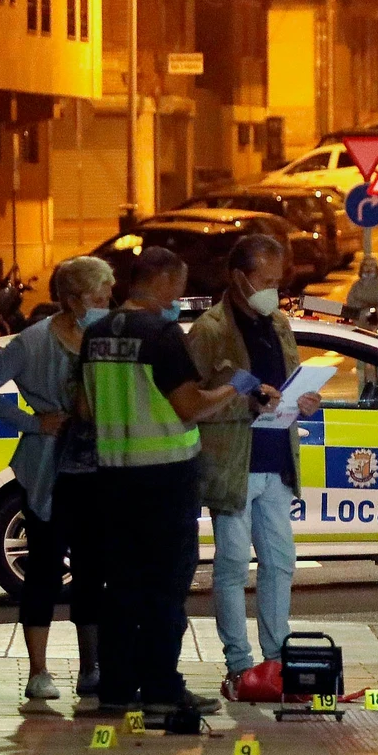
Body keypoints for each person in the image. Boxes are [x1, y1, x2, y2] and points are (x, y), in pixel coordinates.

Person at [78, 247, 248, 716]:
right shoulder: (161, 333)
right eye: (178, 284)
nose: (179, 295)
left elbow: (83, 410)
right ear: (163, 281)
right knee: (165, 590)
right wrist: (235, 387)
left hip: (112, 478)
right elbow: (189, 407)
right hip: (165, 479)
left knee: (121, 587)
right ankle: (160, 688)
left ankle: (115, 689)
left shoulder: (94, 333)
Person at [0, 255, 113, 709]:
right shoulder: (35, 341)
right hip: (48, 469)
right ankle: (39, 671)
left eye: (107, 298)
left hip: (97, 470)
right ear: (71, 299)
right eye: (97, 298)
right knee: (44, 569)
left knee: (92, 572)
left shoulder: (106, 338)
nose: (105, 305)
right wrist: (29, 421)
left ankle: (92, 666)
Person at [187, 234, 321, 699]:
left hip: (278, 462)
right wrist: (246, 405)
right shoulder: (210, 330)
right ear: (239, 278)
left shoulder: (279, 323)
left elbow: (290, 382)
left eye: (277, 281)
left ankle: (276, 659)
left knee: (280, 562)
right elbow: (189, 404)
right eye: (265, 281)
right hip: (234, 465)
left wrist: (306, 401)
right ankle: (238, 665)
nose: (273, 291)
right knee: (230, 565)